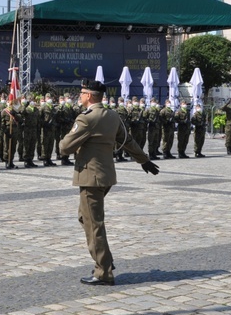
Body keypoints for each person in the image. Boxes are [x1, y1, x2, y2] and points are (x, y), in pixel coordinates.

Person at [60, 79, 159, 286]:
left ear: (88, 96)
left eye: (82, 93)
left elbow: (65, 148)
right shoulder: (113, 116)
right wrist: (144, 160)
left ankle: (103, 271)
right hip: (106, 177)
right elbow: (127, 141)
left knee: (93, 224)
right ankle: (106, 260)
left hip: (90, 178)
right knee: (84, 218)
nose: (80, 96)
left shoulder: (86, 118)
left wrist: (71, 137)